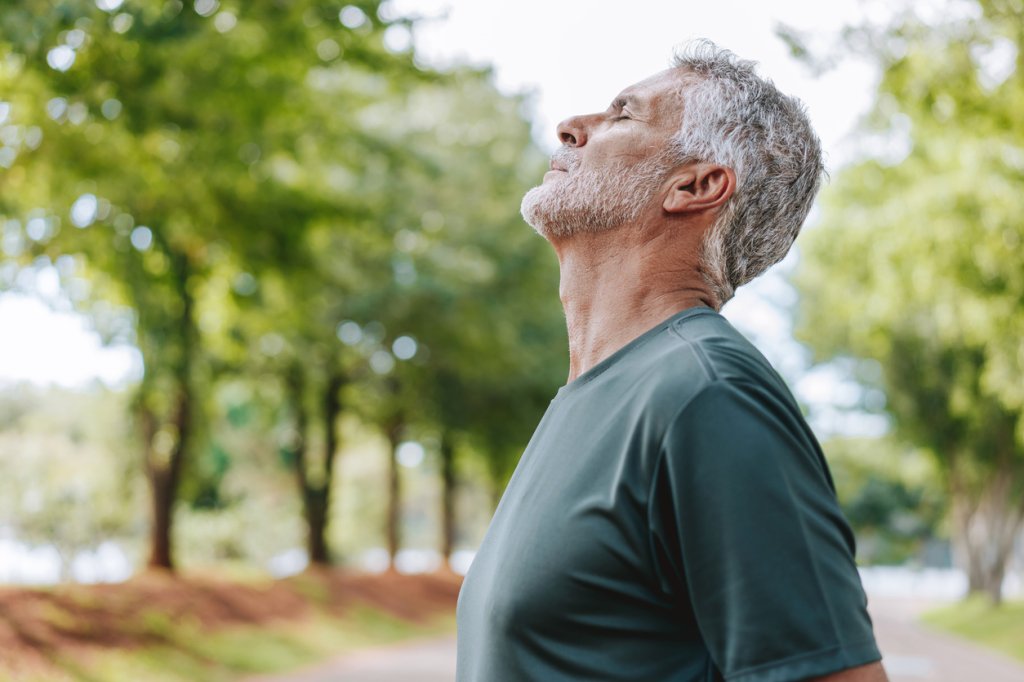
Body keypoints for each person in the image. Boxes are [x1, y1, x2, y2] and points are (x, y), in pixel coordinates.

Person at [455, 40, 888, 682]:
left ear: (695, 185)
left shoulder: (707, 394)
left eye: (622, 115)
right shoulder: (596, 392)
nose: (571, 127)